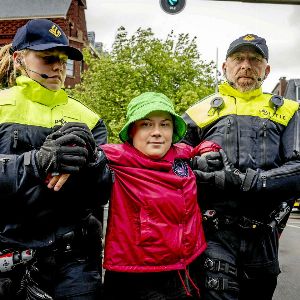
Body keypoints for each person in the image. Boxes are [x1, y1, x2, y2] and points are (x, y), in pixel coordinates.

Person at [49, 91, 223, 300]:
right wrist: (71, 154)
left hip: (188, 269)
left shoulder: (180, 153)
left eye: (165, 124)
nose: (157, 132)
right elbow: (89, 152)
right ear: (132, 131)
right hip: (136, 278)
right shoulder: (117, 157)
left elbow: (197, 147)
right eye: (147, 124)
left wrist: (207, 149)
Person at [182, 33, 300, 300]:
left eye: (254, 59)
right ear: (225, 67)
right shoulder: (198, 112)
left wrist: (247, 181)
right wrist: (195, 163)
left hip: (264, 236)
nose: (246, 65)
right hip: (214, 233)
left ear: (266, 70)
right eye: (238, 58)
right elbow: (172, 163)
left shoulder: (289, 111)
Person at [0, 19, 110, 299]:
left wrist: (94, 160)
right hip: (10, 259)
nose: (58, 67)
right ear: (18, 58)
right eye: (47, 58)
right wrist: (37, 162)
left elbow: (101, 192)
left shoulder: (89, 118)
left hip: (75, 263)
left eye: (62, 60)